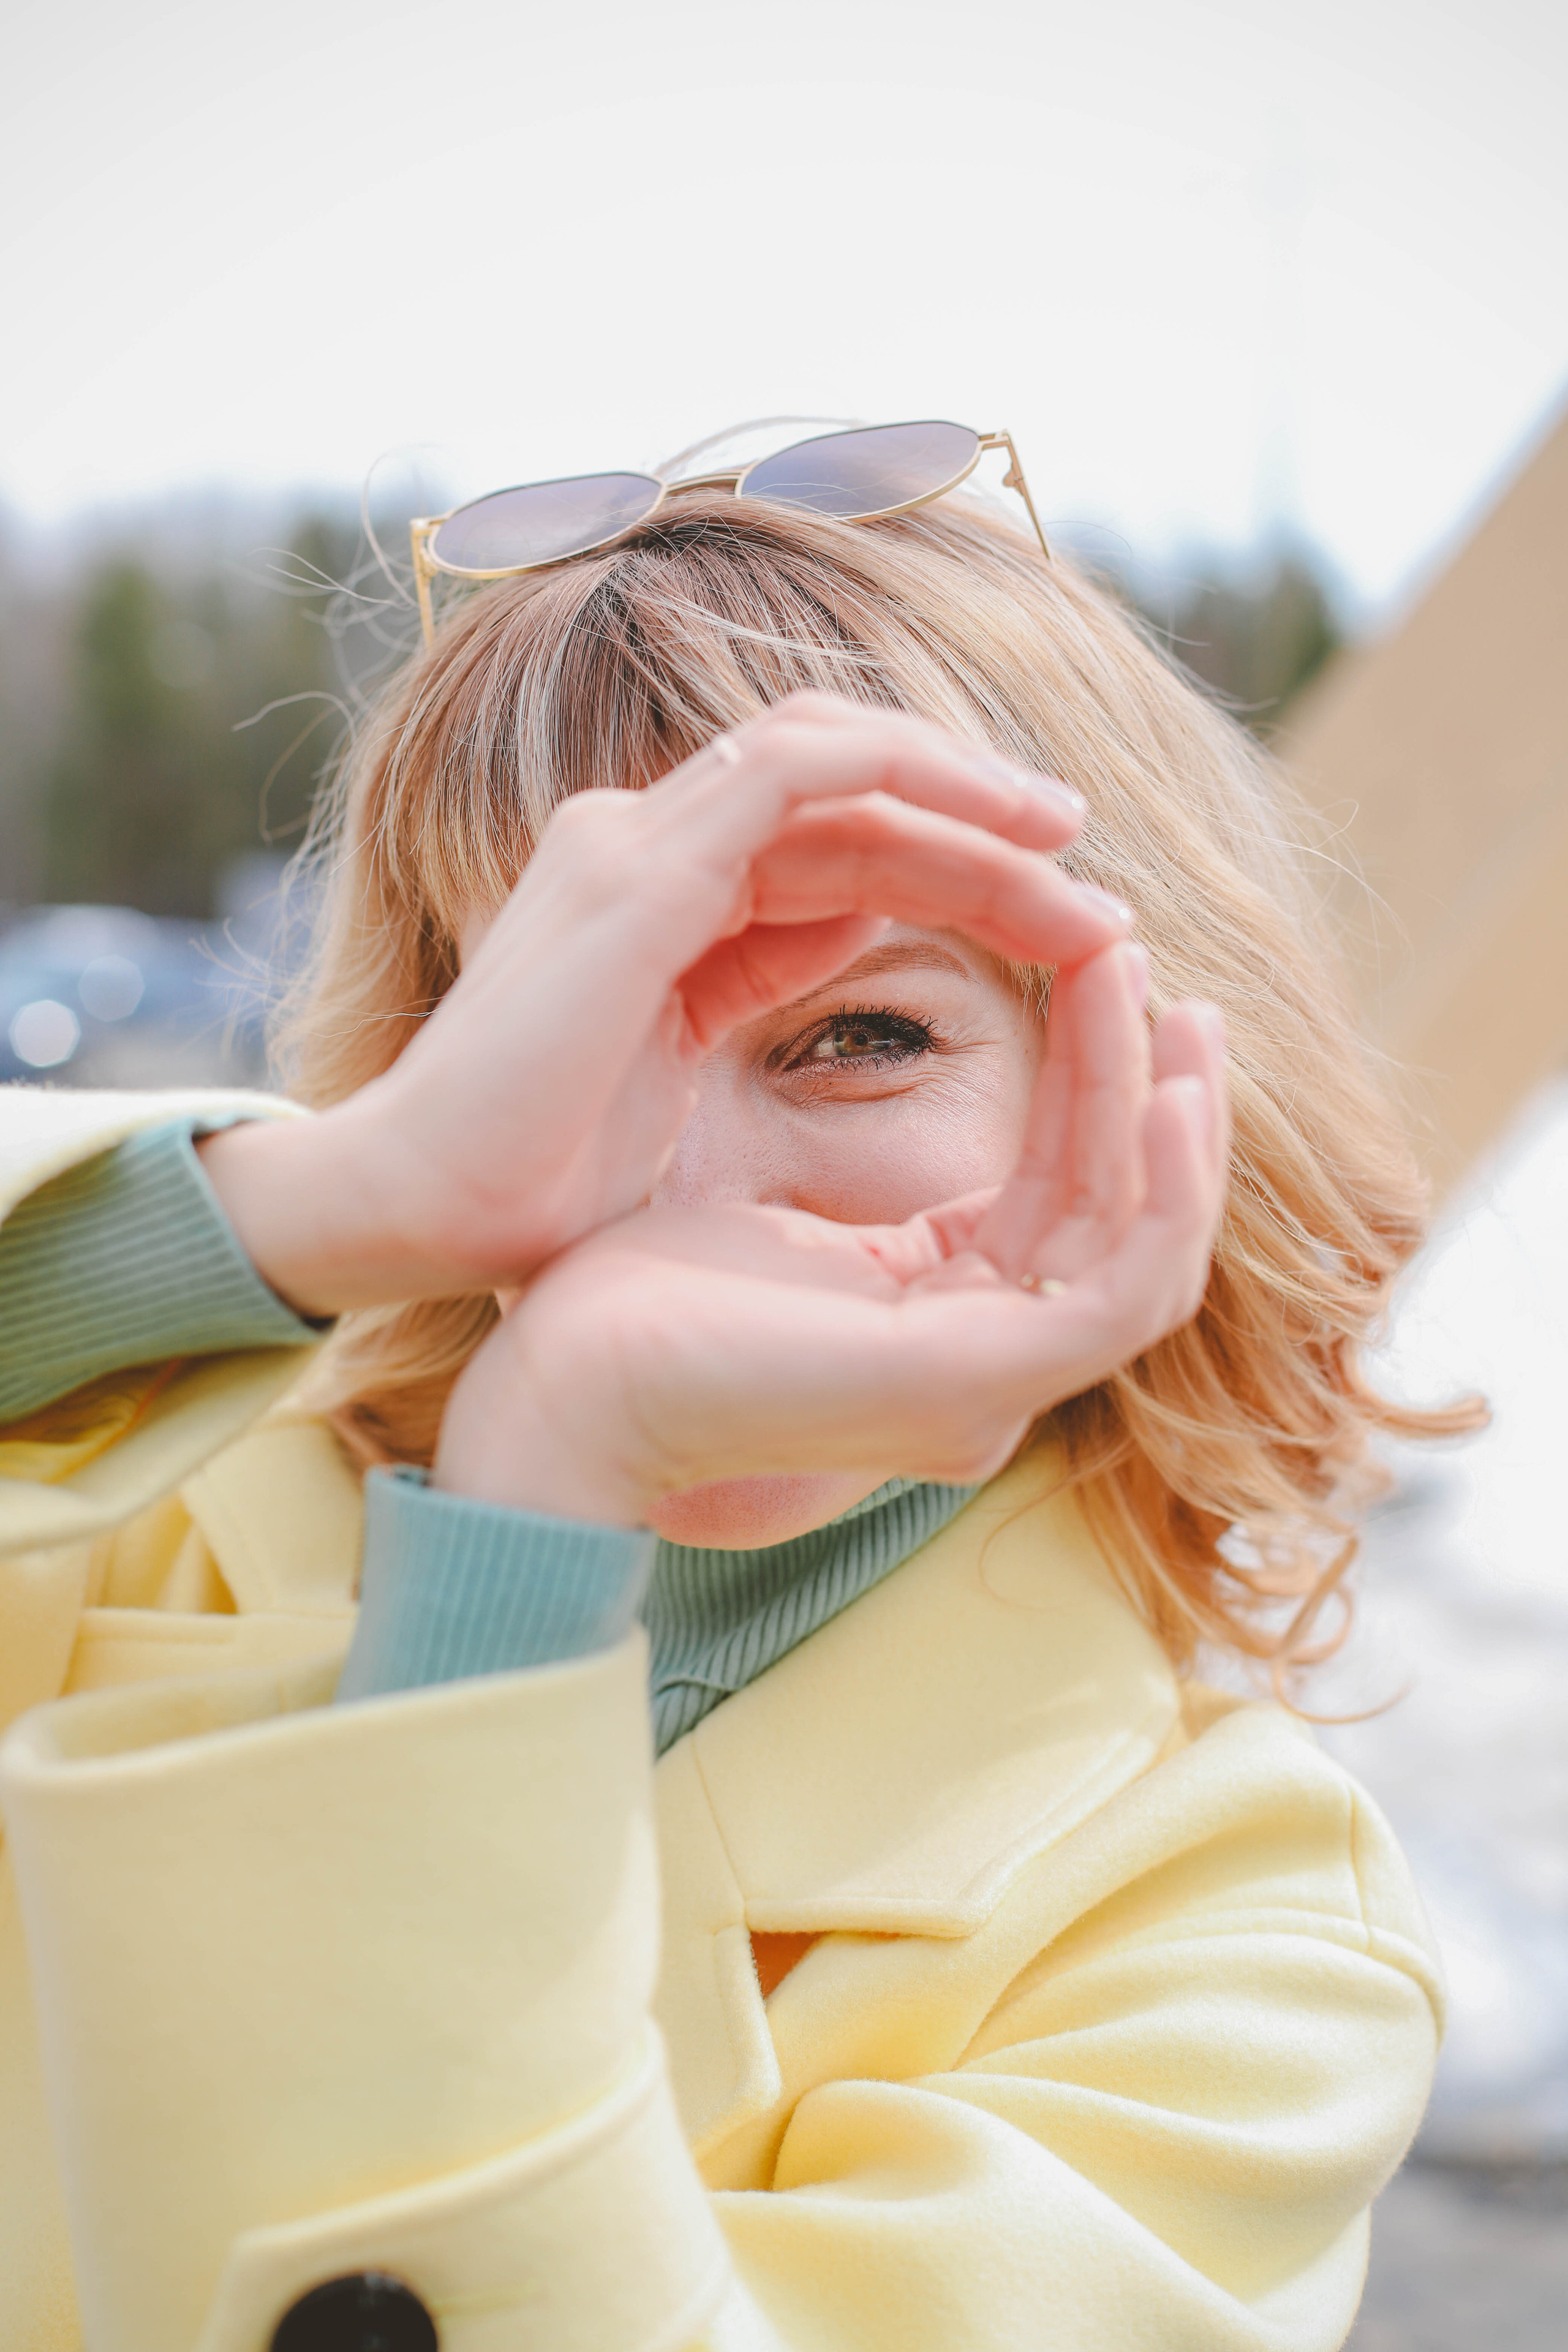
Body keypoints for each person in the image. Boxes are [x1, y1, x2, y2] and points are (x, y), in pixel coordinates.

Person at [0, 434, 1470, 2352]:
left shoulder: (1241, 1935)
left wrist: (537, 1517)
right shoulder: (136, 1515)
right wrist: (340, 1202)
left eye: (860, 1034)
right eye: (567, 1009)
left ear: (1139, 1062)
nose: (674, 1194)